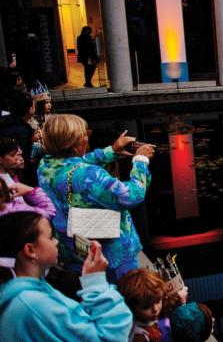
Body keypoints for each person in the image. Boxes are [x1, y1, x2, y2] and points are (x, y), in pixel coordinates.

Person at [38, 114, 154, 281]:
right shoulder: (89, 174)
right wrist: (140, 161)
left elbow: (76, 163)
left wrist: (111, 151)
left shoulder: (46, 165)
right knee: (128, 292)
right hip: (109, 256)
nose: (87, 137)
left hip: (71, 245)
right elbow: (132, 195)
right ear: (73, 141)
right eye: (84, 133)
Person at [0, 211, 134, 341]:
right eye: (51, 237)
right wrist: (96, 284)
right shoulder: (33, 303)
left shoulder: (27, 290)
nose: (56, 242)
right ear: (30, 250)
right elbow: (112, 337)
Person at [0, 137, 55, 218]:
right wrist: (31, 191)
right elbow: (49, 211)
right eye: (12, 155)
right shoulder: (2, 185)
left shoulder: (10, 174)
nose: (17, 158)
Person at [117, 268, 166, 342]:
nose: (155, 309)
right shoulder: (139, 337)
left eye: (158, 301)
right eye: (146, 307)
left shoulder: (149, 319)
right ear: (131, 307)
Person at [0, 91, 36, 183]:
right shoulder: (21, 131)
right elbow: (22, 158)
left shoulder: (8, 122)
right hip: (17, 177)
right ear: (29, 109)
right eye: (33, 105)